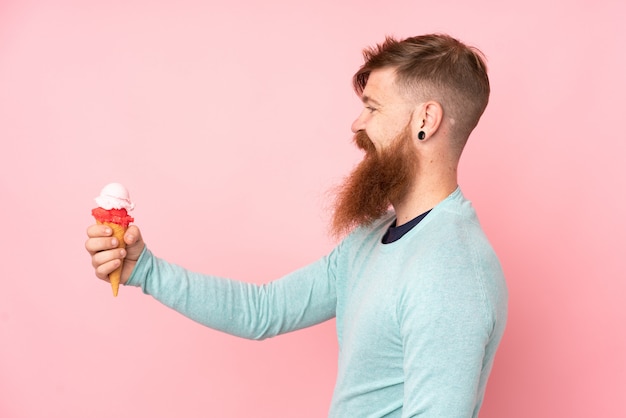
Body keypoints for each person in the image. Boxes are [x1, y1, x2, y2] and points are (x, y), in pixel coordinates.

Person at [86, 33, 508, 417]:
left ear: (425, 120)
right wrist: (144, 269)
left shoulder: (450, 268)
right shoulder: (371, 238)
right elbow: (262, 310)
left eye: (373, 107)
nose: (357, 123)